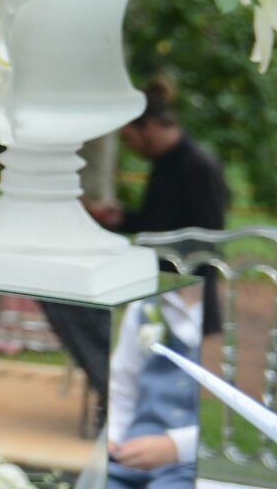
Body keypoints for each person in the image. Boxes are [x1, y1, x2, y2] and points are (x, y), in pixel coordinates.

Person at [89, 76, 229, 335]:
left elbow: (206, 240)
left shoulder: (199, 166)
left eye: (129, 138)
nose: (130, 147)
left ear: (150, 127)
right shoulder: (163, 163)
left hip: (184, 294)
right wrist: (123, 218)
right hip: (159, 287)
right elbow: (157, 223)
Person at [106, 283, 203, 487]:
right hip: (131, 454)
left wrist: (177, 447)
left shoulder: (234, 313)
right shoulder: (144, 305)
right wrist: (112, 436)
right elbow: (122, 388)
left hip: (192, 464)